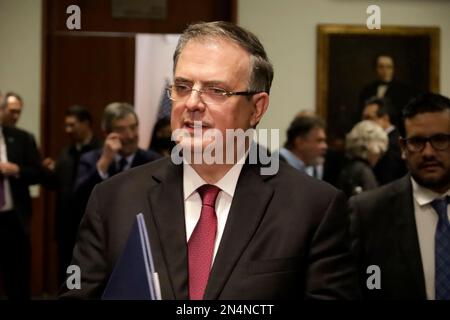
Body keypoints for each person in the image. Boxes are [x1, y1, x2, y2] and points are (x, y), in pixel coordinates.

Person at [60, 21, 359, 300]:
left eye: (216, 90)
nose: (192, 103)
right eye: (182, 86)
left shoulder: (313, 208)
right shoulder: (114, 199)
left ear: (257, 108)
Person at [350, 93, 450, 299]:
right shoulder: (369, 212)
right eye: (417, 142)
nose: (428, 152)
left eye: (440, 140)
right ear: (403, 148)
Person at [41, 105, 102, 282]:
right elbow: (56, 185)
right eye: (66, 125)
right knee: (67, 273)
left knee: (88, 274)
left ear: (86, 124)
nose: (68, 130)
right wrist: (46, 172)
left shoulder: (100, 150)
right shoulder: (66, 152)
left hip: (91, 223)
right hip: (67, 226)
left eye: (72, 125)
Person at [0, 95, 43, 299]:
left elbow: (38, 173)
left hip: (13, 219)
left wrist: (17, 169)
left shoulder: (22, 138)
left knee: (17, 281)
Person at [358, 54, 414, 134]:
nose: (385, 71)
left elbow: (405, 115)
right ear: (375, 69)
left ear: (393, 69)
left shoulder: (403, 90)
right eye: (381, 67)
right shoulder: (367, 90)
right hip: (369, 132)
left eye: (388, 67)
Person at [362, 97, 407, 185]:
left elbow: (390, 182)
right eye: (363, 118)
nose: (363, 123)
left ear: (385, 119)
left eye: (369, 118)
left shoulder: (393, 143)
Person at [337, 120, 388, 198]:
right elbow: (371, 204)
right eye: (380, 152)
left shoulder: (349, 167)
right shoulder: (364, 172)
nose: (379, 157)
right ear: (372, 149)